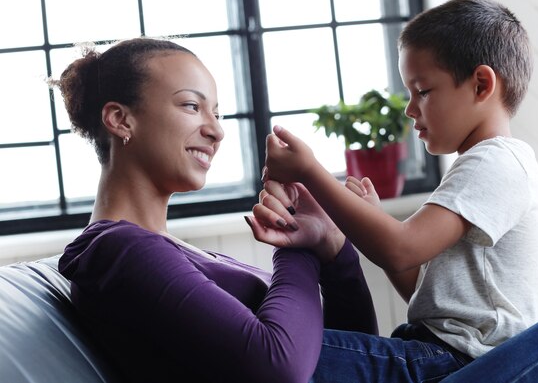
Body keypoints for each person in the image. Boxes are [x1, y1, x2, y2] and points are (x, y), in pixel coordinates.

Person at [250, 0, 538, 382]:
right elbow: (420, 287)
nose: (411, 109)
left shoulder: (497, 162)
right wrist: (375, 218)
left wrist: (309, 170)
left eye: (422, 91)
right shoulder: (481, 166)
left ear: (481, 84)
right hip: (435, 353)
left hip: (458, 362)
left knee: (268, 352)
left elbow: (401, 247)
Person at [52, 37, 378, 383]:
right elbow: (277, 366)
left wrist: (333, 248)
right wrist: (296, 243)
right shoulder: (119, 249)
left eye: (217, 113)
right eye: (192, 106)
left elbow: (359, 355)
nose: (217, 130)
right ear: (120, 119)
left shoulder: (171, 252)